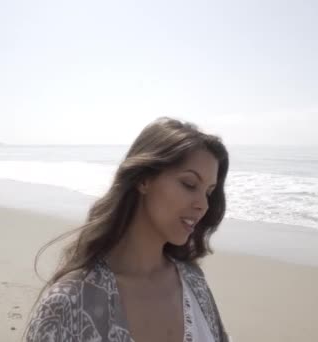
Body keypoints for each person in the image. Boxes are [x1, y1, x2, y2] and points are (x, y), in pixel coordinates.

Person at [25, 117, 230, 342]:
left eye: (208, 192)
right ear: (144, 180)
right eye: (189, 184)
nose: (203, 204)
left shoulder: (193, 282)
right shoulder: (69, 303)